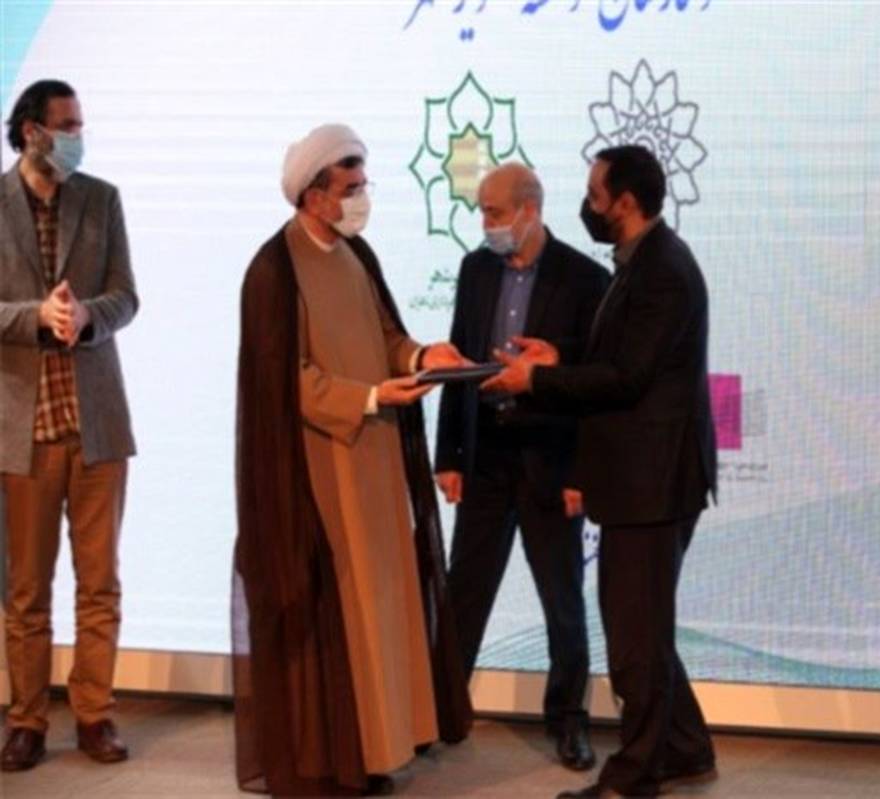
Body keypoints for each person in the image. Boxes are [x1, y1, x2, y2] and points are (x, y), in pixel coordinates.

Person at [232, 123, 472, 796]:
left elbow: (386, 337)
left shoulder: (357, 254)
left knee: (381, 609)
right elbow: (288, 379)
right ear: (314, 195)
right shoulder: (273, 270)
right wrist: (368, 396)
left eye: (363, 184)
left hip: (375, 461)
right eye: (351, 187)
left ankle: (376, 748)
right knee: (344, 612)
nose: (361, 198)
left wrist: (423, 356)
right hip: (320, 471)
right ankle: (337, 761)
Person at [484, 144, 718, 798]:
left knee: (635, 637)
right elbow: (617, 350)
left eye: (594, 196)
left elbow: (626, 376)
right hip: (640, 480)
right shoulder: (641, 260)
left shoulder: (663, 269)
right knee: (644, 627)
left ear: (625, 201)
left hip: (654, 482)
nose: (586, 207)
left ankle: (633, 775)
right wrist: (559, 354)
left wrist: (537, 380)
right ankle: (685, 747)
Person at [435, 162, 609, 771]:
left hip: (551, 461)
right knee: (463, 593)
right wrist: (449, 454)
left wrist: (584, 473)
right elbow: (457, 358)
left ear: (530, 210)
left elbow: (593, 382)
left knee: (561, 599)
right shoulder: (475, 269)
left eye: (495, 212)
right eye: (482, 211)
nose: (486, 224)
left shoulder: (584, 278)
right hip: (485, 455)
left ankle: (569, 720)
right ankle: (440, 712)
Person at [1, 79, 138, 771]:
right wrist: (37, 317)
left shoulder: (101, 198)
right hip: (21, 428)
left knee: (99, 583)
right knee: (26, 591)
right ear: (31, 131)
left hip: (96, 425)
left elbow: (127, 297)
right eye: (68, 125)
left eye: (79, 124)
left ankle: (94, 713)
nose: (77, 136)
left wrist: (86, 316)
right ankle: (26, 719)